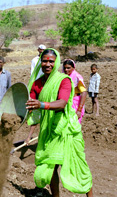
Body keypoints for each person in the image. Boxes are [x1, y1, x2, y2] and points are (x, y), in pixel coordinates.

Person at [25, 48, 93, 197]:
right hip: (49, 130)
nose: (47, 64)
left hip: (66, 129)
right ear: (40, 62)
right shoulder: (37, 83)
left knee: (76, 165)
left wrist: (41, 105)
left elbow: (62, 103)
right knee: (51, 165)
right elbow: (30, 104)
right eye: (44, 60)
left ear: (56, 63)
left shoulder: (64, 80)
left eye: (51, 61)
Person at [63, 59, 87, 123]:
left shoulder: (77, 77)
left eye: (68, 68)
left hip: (75, 104)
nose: (66, 70)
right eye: (64, 68)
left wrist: (79, 110)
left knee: (74, 124)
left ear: (73, 68)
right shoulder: (62, 76)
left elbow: (84, 92)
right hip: (64, 103)